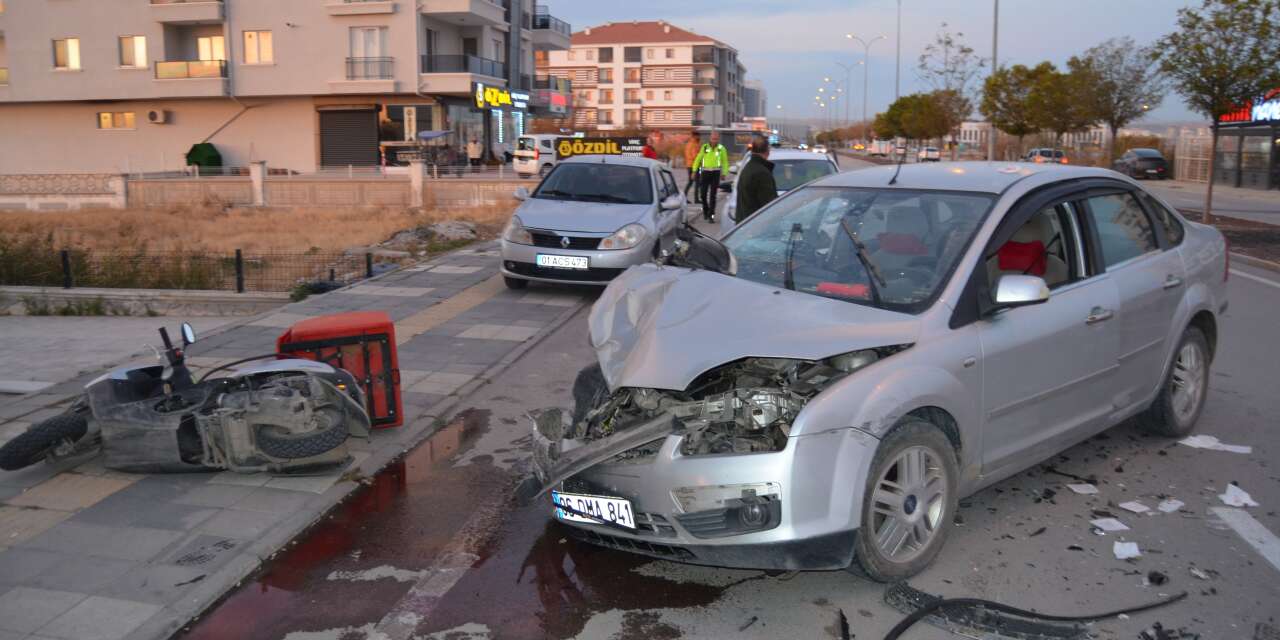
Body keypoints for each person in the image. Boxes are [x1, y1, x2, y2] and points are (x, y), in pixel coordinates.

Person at [734, 133, 778, 224]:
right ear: (767, 151)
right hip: (757, 227)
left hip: (745, 225)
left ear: (752, 151)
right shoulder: (762, 173)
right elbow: (770, 206)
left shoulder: (747, 168)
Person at [692, 131, 730, 223]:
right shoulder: (705, 147)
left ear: (718, 139)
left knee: (713, 196)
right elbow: (698, 159)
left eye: (716, 139)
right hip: (705, 172)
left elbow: (725, 162)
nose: (714, 141)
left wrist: (724, 173)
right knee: (703, 195)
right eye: (713, 138)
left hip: (716, 173)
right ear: (710, 138)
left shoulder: (721, 148)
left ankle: (711, 216)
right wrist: (694, 170)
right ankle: (706, 210)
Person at [683, 131, 702, 204]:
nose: (699, 137)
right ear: (695, 136)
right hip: (694, 165)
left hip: (690, 165)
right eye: (698, 136)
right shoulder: (694, 144)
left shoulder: (689, 144)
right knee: (697, 182)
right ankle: (696, 199)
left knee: (691, 182)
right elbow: (695, 156)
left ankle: (684, 198)